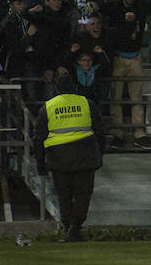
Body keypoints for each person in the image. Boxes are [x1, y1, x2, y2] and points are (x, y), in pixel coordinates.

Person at [33, 73, 104, 243]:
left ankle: (68, 228)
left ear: (56, 88)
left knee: (64, 195)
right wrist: (100, 154)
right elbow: (100, 132)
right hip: (85, 156)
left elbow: (38, 138)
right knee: (83, 194)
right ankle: (75, 228)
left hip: (58, 158)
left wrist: (40, 162)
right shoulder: (87, 103)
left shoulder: (47, 107)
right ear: (74, 86)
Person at [102, 0, 151, 149]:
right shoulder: (113, 7)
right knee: (116, 97)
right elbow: (95, 8)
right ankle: (118, 132)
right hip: (118, 58)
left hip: (135, 58)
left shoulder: (141, 6)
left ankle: (139, 134)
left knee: (136, 97)